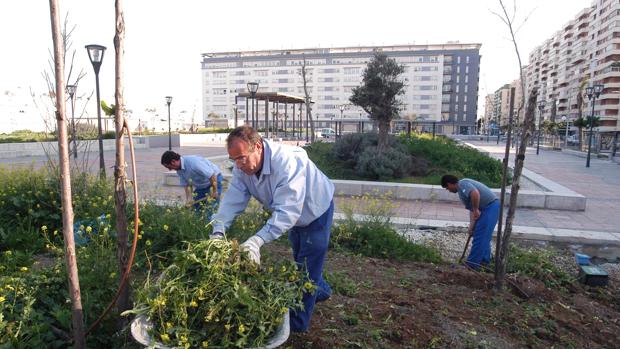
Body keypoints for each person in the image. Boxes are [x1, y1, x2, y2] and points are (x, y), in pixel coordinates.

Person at [210, 126, 334, 333]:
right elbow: (232, 201)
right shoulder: (243, 167)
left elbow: (288, 211)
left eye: (241, 158)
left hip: (316, 211)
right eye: (234, 160)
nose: (238, 165)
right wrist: (217, 230)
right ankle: (321, 291)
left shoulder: (287, 162)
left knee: (306, 268)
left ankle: (295, 325)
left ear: (257, 146)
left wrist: (257, 240)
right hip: (293, 217)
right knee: (300, 260)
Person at [441, 174, 499, 270]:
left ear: (449, 184)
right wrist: (471, 226)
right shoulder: (461, 191)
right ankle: (484, 262)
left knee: (480, 237)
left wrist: (476, 209)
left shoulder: (462, 183)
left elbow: (475, 193)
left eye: (447, 188)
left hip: (490, 207)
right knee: (482, 235)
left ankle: (471, 265)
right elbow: (472, 209)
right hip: (486, 208)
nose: (449, 190)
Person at [160, 150, 223, 216]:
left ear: (173, 161)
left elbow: (212, 175)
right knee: (197, 208)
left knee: (211, 209)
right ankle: (200, 224)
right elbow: (186, 185)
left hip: (214, 179)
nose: (170, 170)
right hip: (201, 185)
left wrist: (215, 191)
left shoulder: (194, 163)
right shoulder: (179, 170)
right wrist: (188, 200)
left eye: (169, 167)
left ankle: (212, 223)